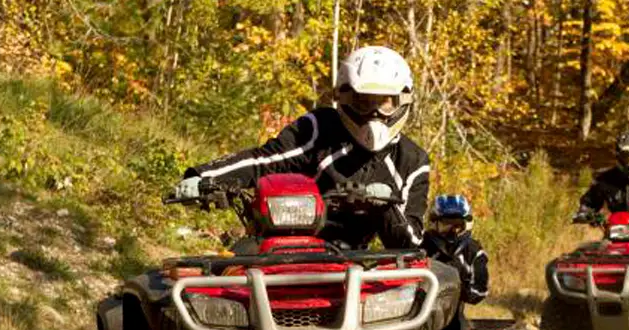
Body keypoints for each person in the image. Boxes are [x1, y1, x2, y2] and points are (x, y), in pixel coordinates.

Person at [172, 46, 429, 250]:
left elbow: (411, 243)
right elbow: (264, 160)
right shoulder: (319, 128)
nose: (375, 113)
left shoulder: (413, 161)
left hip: (357, 261)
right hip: (284, 244)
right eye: (364, 102)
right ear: (345, 98)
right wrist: (204, 176)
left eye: (385, 103)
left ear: (403, 101)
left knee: (433, 292)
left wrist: (386, 207)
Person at [422, 195, 489, 305]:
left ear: (465, 225)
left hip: (454, 313)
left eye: (457, 225)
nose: (452, 231)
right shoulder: (422, 246)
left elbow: (480, 291)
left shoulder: (474, 251)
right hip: (420, 310)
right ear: (434, 223)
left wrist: (454, 289)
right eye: (446, 224)